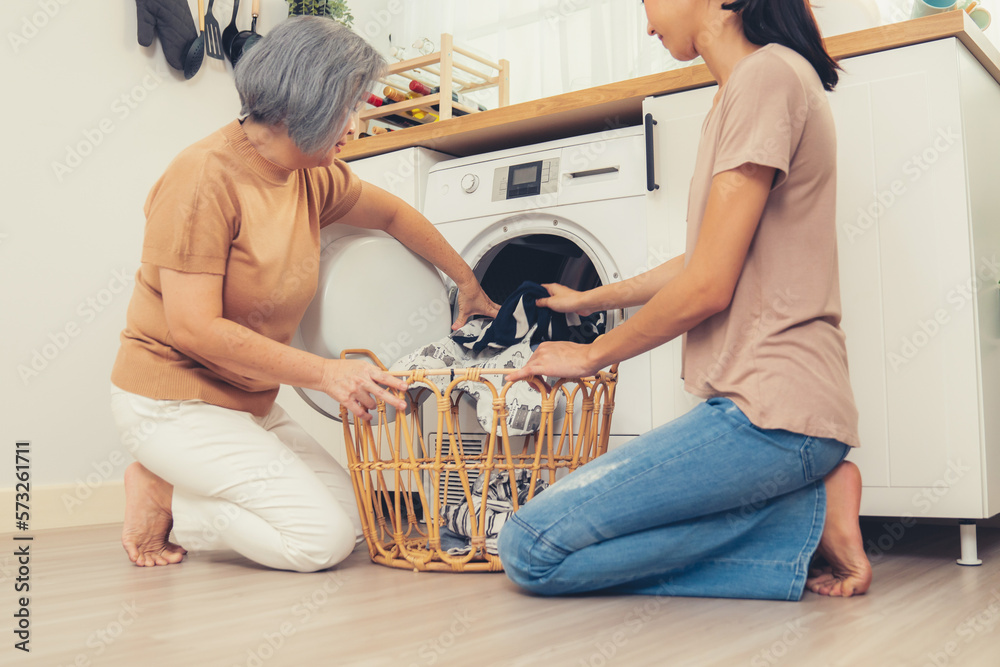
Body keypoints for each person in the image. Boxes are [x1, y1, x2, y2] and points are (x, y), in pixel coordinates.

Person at [497, 0, 872, 599]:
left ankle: (805, 516)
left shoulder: (766, 77)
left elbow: (707, 285)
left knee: (531, 550)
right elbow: (702, 260)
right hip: (758, 411)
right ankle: (807, 516)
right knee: (543, 547)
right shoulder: (738, 91)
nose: (645, 21)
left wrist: (591, 355)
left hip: (774, 415)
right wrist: (588, 299)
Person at [110, 17, 499, 572]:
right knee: (320, 542)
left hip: (248, 404)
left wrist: (467, 281)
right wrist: (327, 375)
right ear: (306, 104)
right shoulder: (202, 177)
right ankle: (162, 495)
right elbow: (194, 328)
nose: (356, 123)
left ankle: (174, 485)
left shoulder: (309, 174)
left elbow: (391, 213)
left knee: (355, 522)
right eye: (347, 107)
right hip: (172, 403)